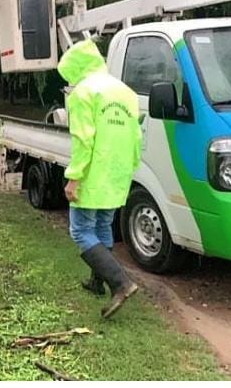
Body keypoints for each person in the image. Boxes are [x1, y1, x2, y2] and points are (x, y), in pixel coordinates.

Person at [58, 39, 143, 319]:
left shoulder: (83, 93)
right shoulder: (126, 93)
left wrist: (74, 177)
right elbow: (136, 136)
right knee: (103, 223)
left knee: (81, 230)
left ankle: (120, 283)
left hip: (93, 172)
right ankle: (98, 281)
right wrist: (130, 168)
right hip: (118, 171)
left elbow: (83, 140)